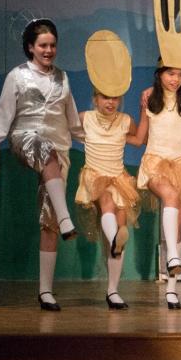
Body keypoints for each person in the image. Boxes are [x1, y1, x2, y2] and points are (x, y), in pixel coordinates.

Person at [0, 19, 83, 311]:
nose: (48, 50)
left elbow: (72, 120)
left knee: (49, 217)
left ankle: (45, 291)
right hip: (26, 138)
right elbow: (1, 117)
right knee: (44, 150)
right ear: (30, 47)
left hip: (58, 145)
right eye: (43, 45)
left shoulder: (62, 78)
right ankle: (67, 219)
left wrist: (95, 142)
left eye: (52, 45)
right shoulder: (18, 76)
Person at [136, 64, 181, 310]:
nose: (175, 79)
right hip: (154, 163)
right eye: (170, 73)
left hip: (179, 165)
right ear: (159, 74)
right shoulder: (150, 98)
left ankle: (172, 290)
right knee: (170, 196)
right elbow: (141, 137)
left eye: (180, 75)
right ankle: (173, 256)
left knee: (177, 226)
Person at [74, 88, 143, 310]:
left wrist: (145, 110)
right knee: (107, 203)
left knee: (120, 224)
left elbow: (140, 139)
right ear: (95, 98)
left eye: (114, 97)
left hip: (119, 179)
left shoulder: (125, 121)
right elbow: (67, 129)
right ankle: (115, 237)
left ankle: (112, 291)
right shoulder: (85, 118)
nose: (111, 102)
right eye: (105, 97)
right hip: (96, 177)